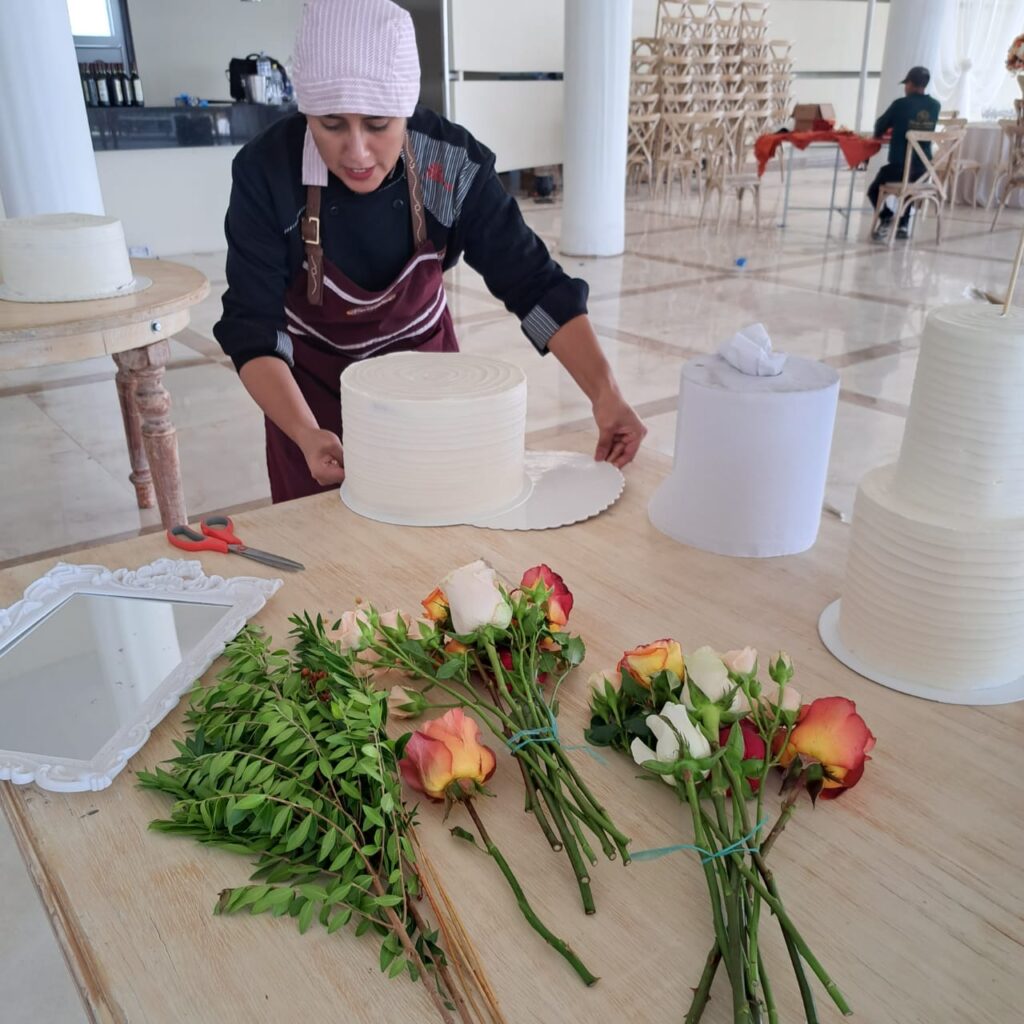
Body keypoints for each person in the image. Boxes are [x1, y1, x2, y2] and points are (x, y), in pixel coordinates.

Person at [213, 0, 647, 503]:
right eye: (331, 124)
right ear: (305, 110)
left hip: (433, 397)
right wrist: (307, 433)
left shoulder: (452, 166)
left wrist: (606, 394)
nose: (356, 152)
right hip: (311, 402)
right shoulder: (268, 173)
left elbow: (535, 285)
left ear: (407, 108)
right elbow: (254, 329)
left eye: (378, 124)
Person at [867, 66, 941, 242]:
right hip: (924, 170)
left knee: (874, 189)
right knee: (909, 185)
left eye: (906, 84)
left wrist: (884, 131)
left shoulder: (900, 104)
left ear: (909, 83)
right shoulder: (935, 106)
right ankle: (903, 224)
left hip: (899, 167)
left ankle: (886, 217)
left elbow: (880, 126)